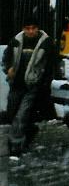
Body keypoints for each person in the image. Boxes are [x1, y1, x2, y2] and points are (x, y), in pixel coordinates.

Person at [3, 16, 56, 155]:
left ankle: (15, 145)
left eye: (33, 28)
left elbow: (50, 64)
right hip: (16, 84)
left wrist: (44, 82)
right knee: (12, 113)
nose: (31, 31)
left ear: (38, 29)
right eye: (28, 28)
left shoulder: (46, 43)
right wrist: (8, 69)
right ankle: (28, 131)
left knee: (22, 114)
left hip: (32, 85)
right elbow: (6, 58)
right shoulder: (15, 41)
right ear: (23, 29)